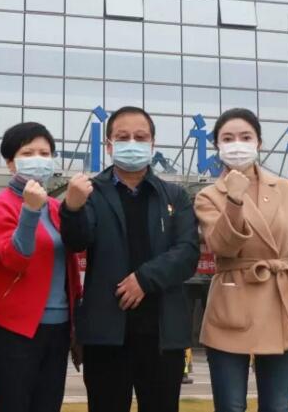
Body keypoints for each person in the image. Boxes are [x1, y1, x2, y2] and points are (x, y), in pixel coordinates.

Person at [60, 106, 200, 412]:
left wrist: (144, 279)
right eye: (123, 137)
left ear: (152, 144)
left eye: (141, 137)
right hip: (106, 335)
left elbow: (188, 252)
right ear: (109, 145)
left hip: (163, 334)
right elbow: (76, 241)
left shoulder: (174, 196)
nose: (132, 143)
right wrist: (71, 208)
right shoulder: (92, 192)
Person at [195, 108, 288, 412]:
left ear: (259, 143)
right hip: (231, 301)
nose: (237, 144)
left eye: (246, 137)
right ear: (217, 146)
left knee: (277, 407)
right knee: (229, 407)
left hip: (282, 302)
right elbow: (222, 246)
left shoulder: (286, 190)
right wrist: (234, 200)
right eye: (227, 138)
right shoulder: (208, 195)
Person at [0, 122, 83, 412]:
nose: (38, 159)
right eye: (28, 153)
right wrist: (29, 210)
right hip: (14, 330)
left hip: (58, 329)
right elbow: (15, 259)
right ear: (10, 163)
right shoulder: (1, 205)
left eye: (45, 153)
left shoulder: (56, 207)